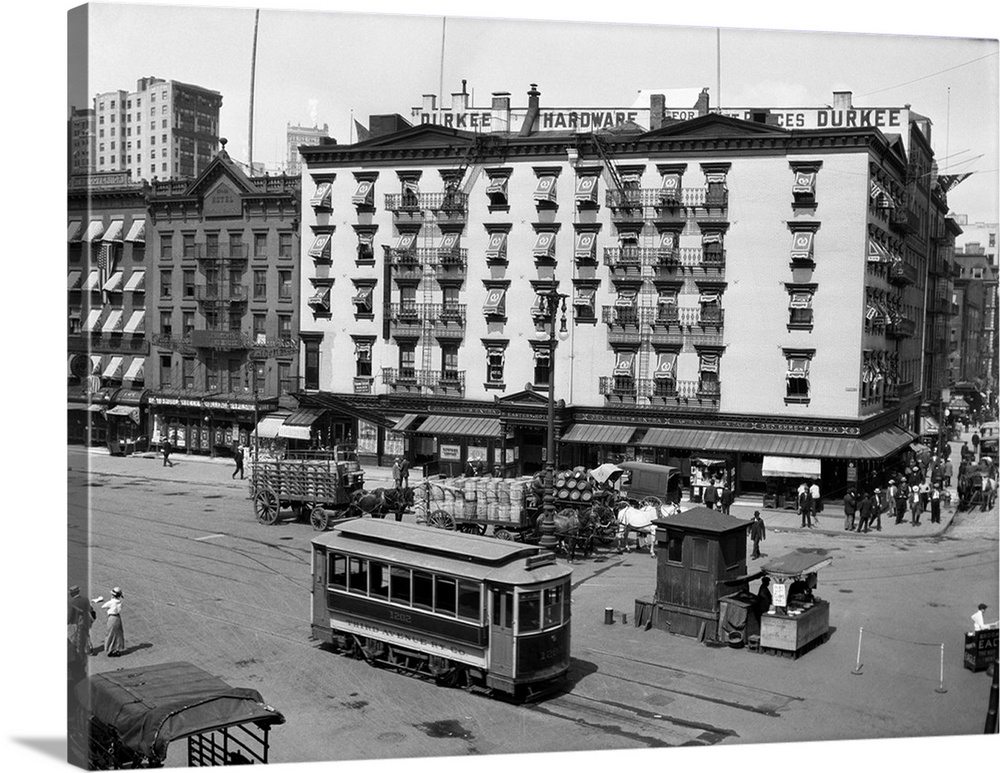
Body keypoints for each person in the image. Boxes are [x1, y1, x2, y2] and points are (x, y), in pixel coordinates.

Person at [68, 586, 96, 663]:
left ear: (72, 594)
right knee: (86, 634)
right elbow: (90, 609)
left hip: (78, 621)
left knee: (76, 636)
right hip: (87, 620)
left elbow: (70, 615)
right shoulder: (85, 600)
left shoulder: (72, 602)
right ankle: (89, 649)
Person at [101, 587, 125, 657]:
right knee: (118, 634)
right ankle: (117, 649)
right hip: (118, 617)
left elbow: (103, 606)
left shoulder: (111, 602)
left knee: (110, 633)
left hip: (112, 618)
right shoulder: (120, 601)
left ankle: (112, 649)